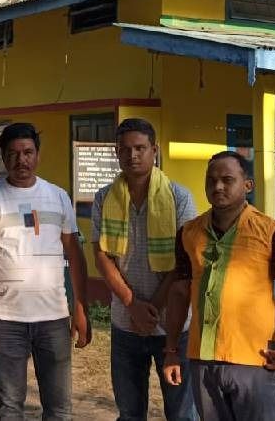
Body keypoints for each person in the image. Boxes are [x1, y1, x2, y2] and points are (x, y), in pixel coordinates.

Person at [162, 151, 275, 421]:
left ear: (248, 185)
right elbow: (179, 292)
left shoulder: (272, 232)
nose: (218, 186)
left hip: (256, 361)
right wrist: (172, 350)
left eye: (227, 179)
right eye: (211, 180)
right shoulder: (189, 233)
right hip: (203, 361)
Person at [0, 122, 91, 421]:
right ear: (3, 157)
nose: (22, 160)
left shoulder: (58, 197)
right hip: (6, 321)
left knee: (59, 408)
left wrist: (81, 310)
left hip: (54, 319)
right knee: (9, 407)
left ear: (38, 154)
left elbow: (75, 255)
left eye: (28, 152)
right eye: (13, 154)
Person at [91, 118, 198, 421]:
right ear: (116, 153)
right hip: (125, 324)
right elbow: (100, 255)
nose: (132, 155)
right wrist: (131, 304)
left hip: (174, 326)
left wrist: (150, 308)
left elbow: (184, 261)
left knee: (182, 413)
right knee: (130, 412)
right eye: (125, 149)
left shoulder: (179, 197)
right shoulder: (104, 198)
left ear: (155, 150)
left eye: (140, 148)